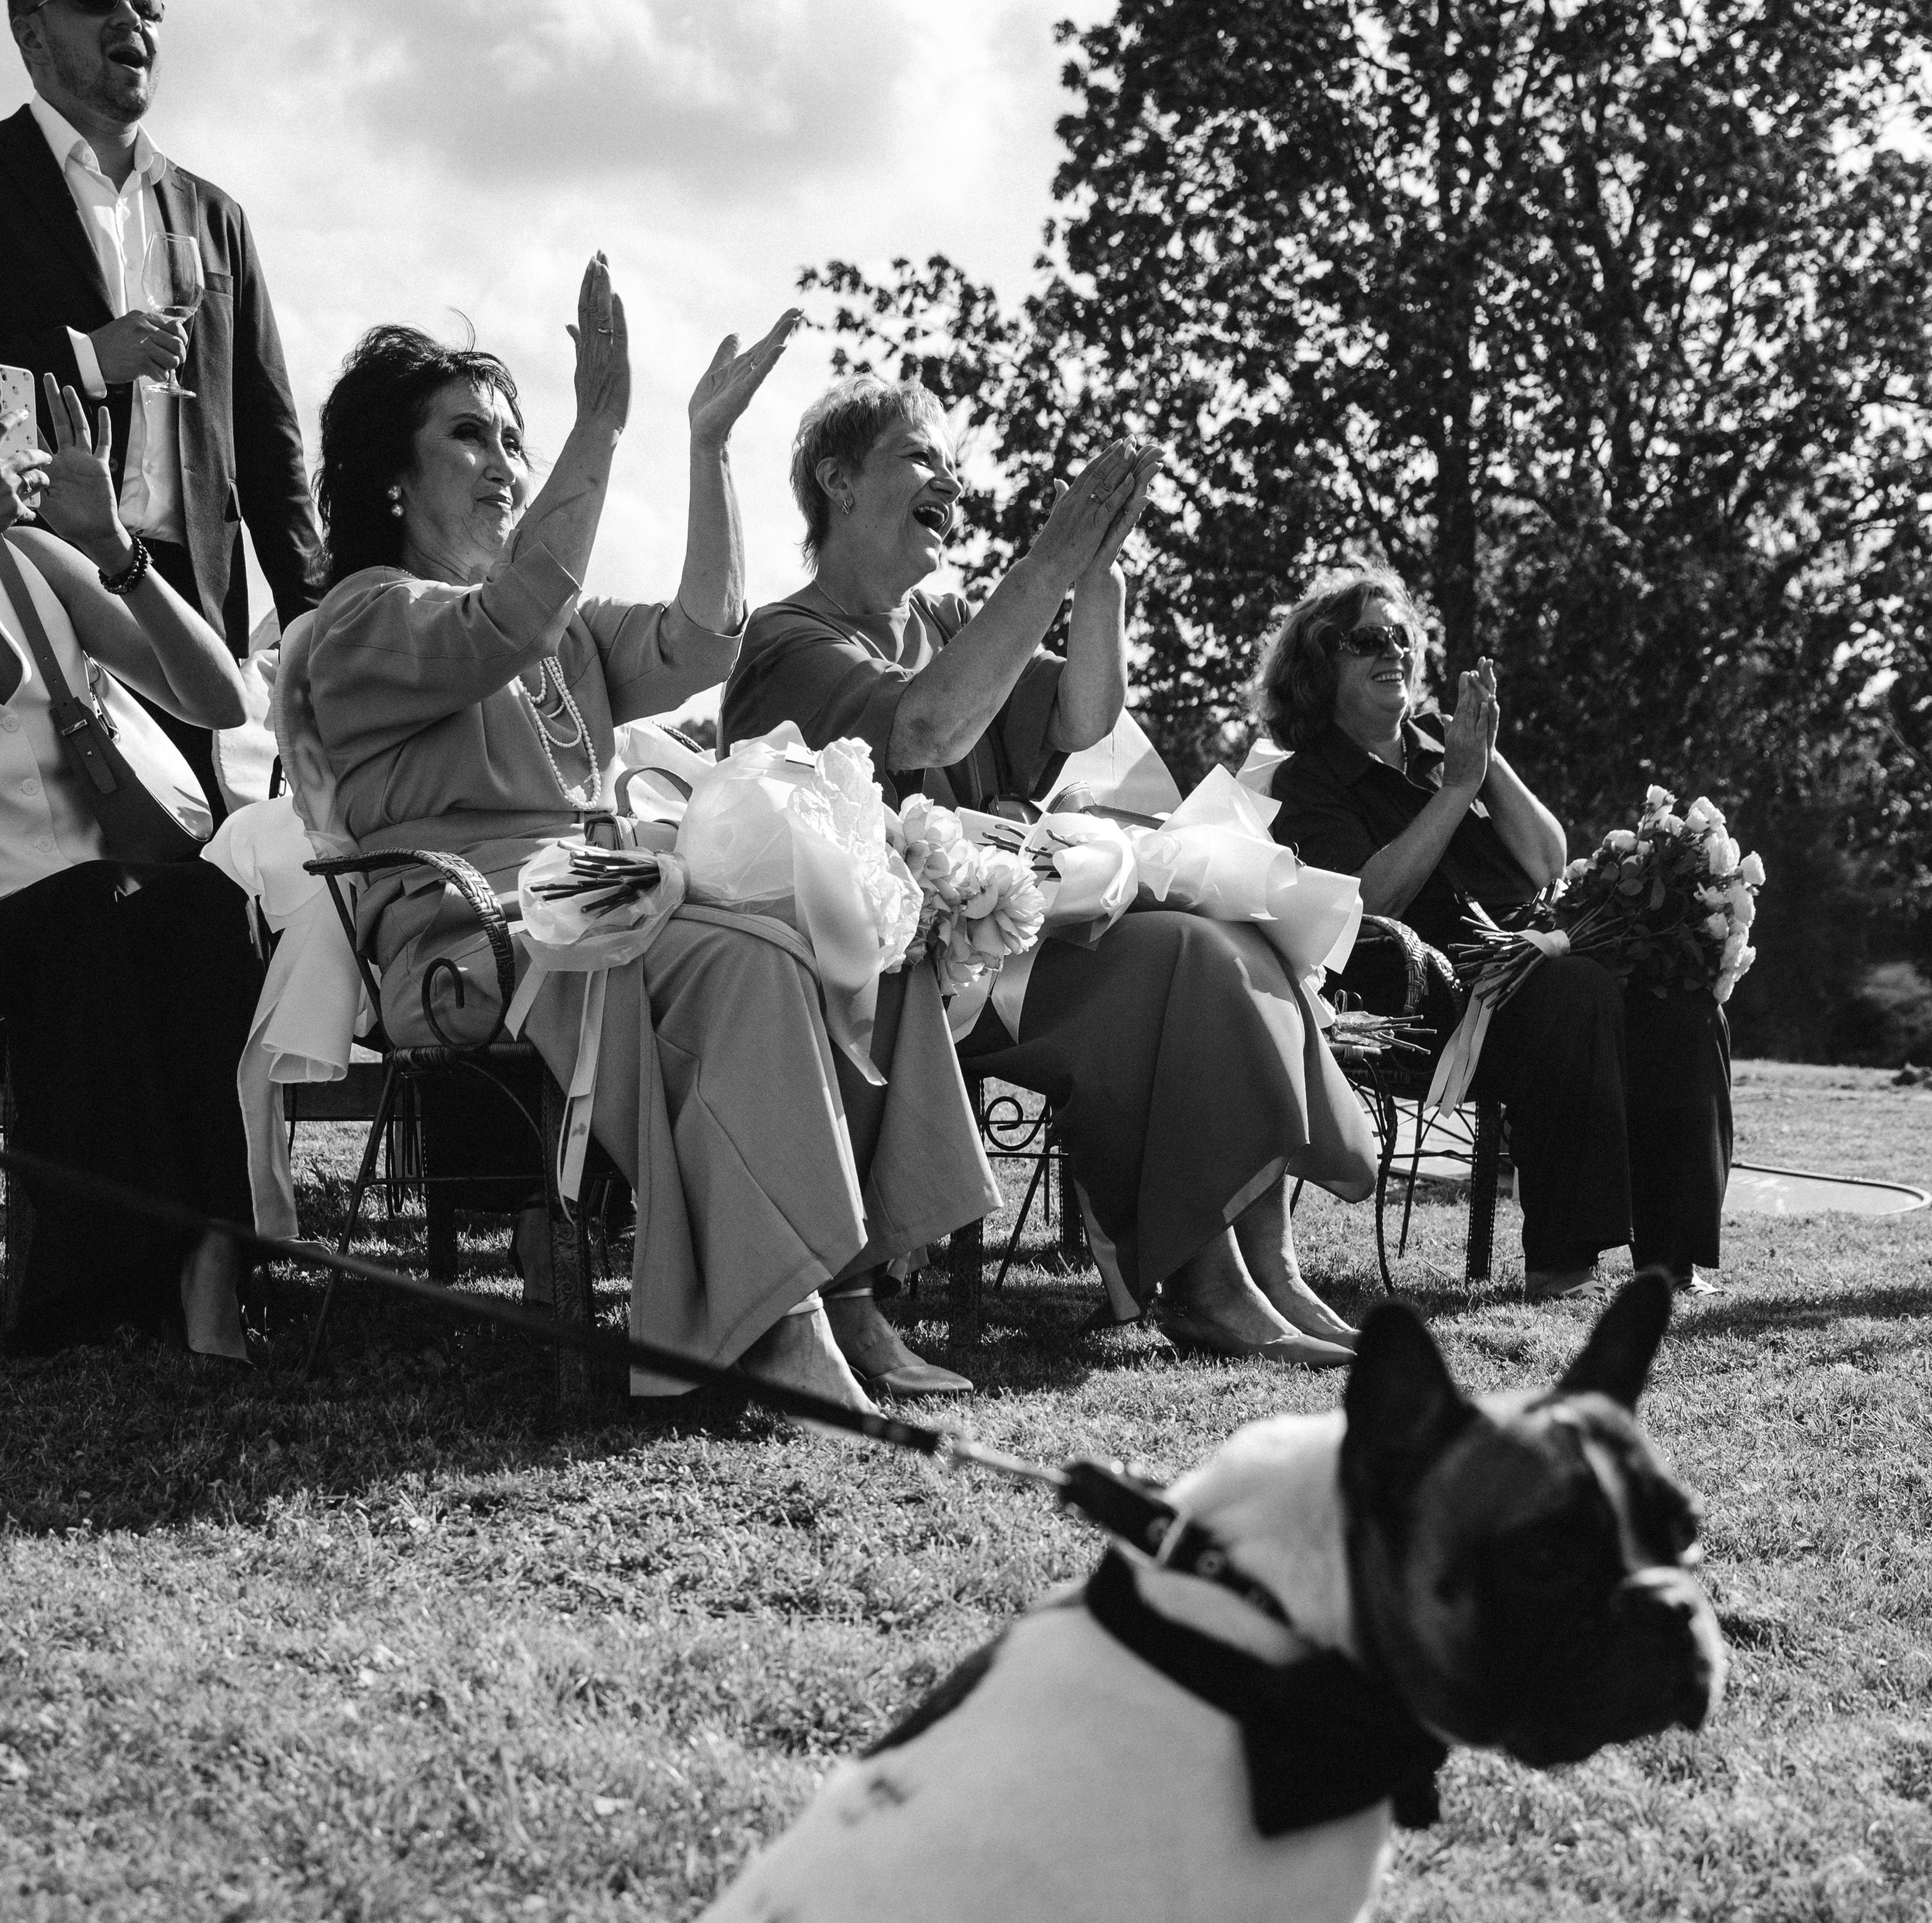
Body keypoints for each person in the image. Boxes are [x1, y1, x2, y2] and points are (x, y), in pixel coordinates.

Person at [304, 261, 999, 1411]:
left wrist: (707, 448)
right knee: (746, 955)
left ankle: (849, 1289)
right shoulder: (367, 619)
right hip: (469, 941)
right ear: (390, 475)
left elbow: (703, 643)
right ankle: (780, 1320)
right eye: (470, 435)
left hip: (604, 909)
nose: (506, 462)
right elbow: (506, 620)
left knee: (848, 927)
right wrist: (598, 421)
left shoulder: (559, 624)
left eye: (513, 439)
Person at [721, 376, 1380, 1369]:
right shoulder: (787, 638)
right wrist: (1050, 556)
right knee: (1185, 964)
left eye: (948, 456)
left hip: (1010, 933)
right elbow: (929, 725)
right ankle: (1204, 1286)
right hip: (898, 979)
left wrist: (1099, 577)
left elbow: (1081, 720)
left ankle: (1256, 1270)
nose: (948, 473)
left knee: (1234, 938)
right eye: (917, 454)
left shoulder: (945, 618)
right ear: (838, 482)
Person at [1260, 571, 1732, 1298]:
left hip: (1536, 957)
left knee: (1678, 987)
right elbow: (1366, 900)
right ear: (1320, 664)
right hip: (1428, 994)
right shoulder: (1308, 783)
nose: (1394, 651)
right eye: (1367, 640)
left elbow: (1547, 861)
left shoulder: (1442, 752)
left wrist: (1483, 761)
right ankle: (1561, 1260)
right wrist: (1454, 791)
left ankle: (1672, 1261)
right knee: (1575, 988)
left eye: (1402, 637)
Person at [0, 0, 323, 817]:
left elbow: (269, 438)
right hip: (39, 579)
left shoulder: (218, 218)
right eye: (102, 3)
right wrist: (83, 358)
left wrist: (317, 626)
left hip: (186, 599)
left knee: (201, 853)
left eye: (150, 7)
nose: (133, 24)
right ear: (29, 28)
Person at [0, 380, 259, 1357]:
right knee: (85, 921)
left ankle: (210, 1263)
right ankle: (113, 1273)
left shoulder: (28, 557)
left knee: (203, 904)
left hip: (101, 889)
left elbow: (218, 701)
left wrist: (113, 551)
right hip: (27, 908)